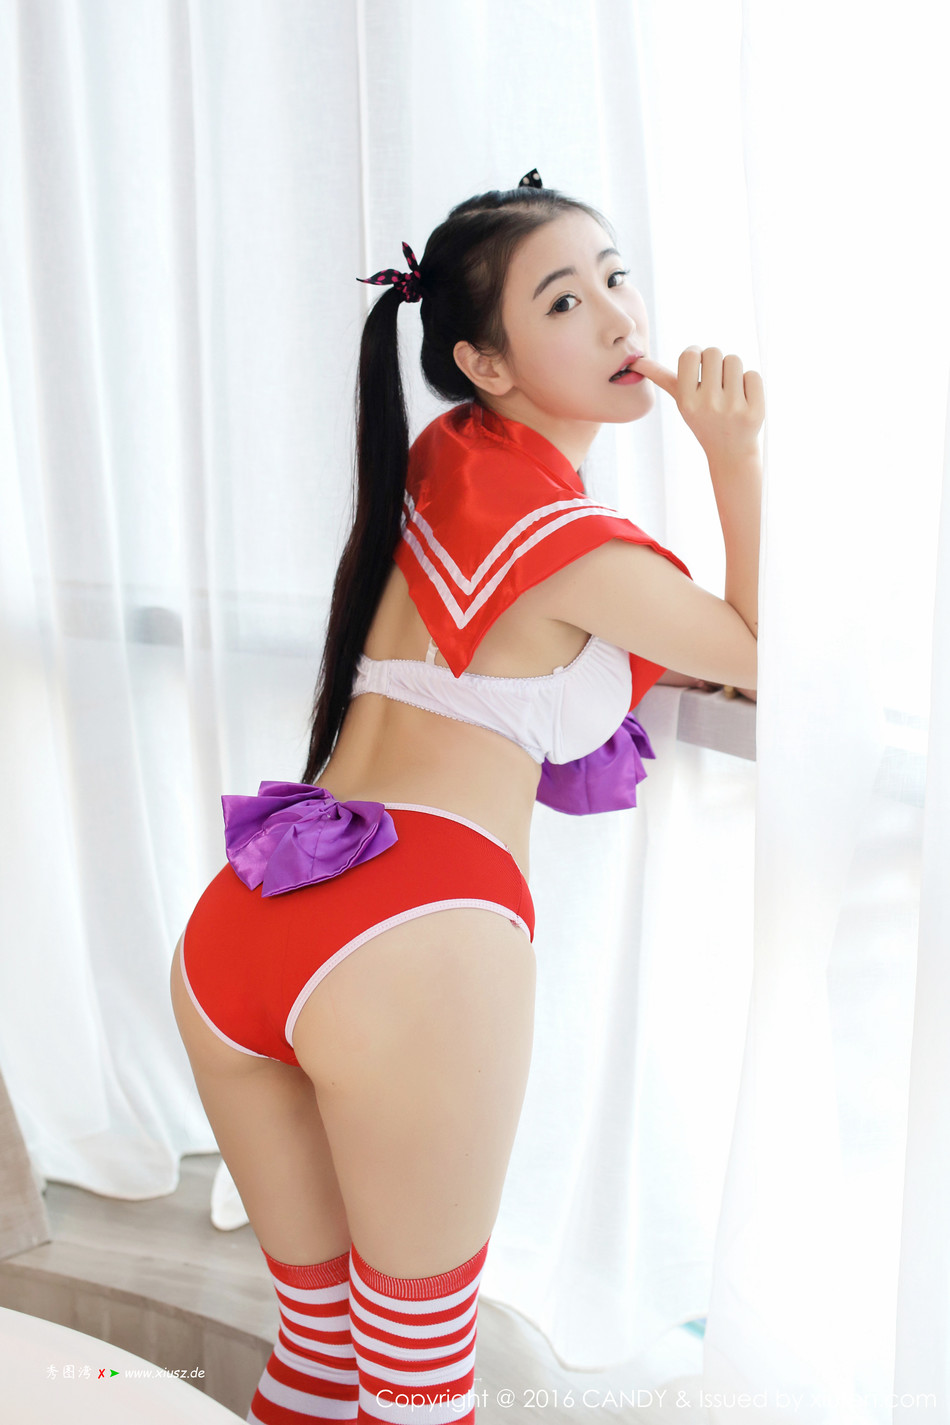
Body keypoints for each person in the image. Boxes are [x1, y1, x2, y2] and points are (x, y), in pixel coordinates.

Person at [169, 169, 764, 1425]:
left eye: (614, 275)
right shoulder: (565, 545)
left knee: (318, 1359)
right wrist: (734, 457)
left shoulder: (445, 467)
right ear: (482, 365)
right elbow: (767, 657)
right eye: (563, 300)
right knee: (416, 1376)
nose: (618, 316)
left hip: (249, 914)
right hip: (412, 943)